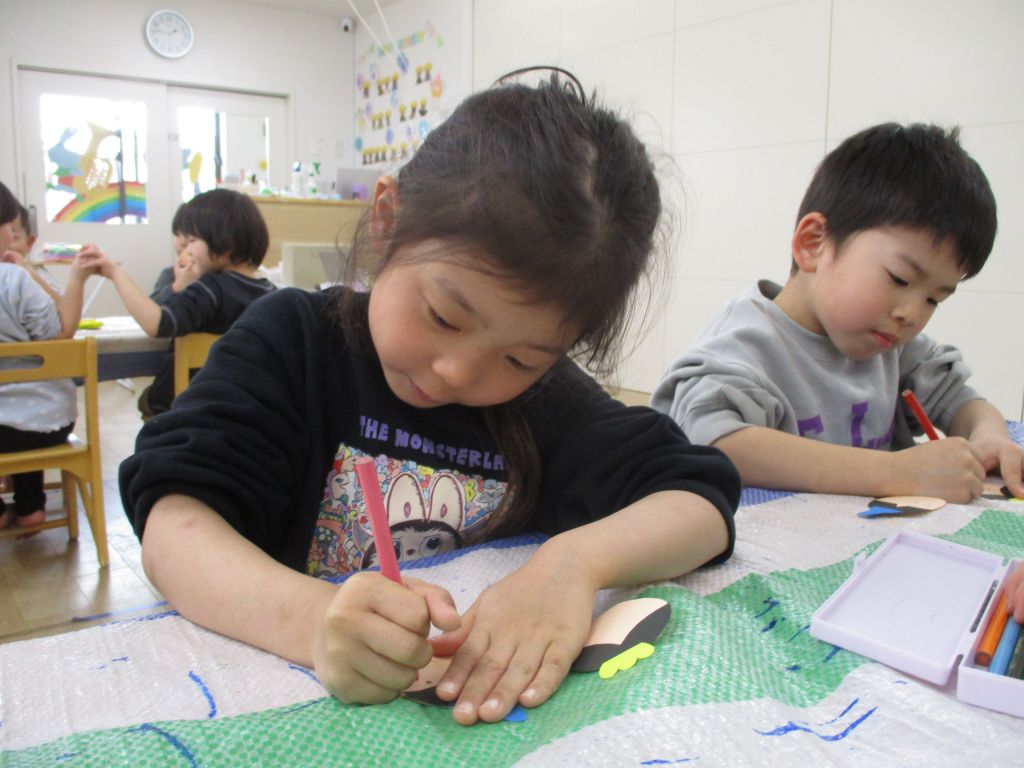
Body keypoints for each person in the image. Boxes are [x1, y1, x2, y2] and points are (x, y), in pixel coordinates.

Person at [119, 71, 741, 726]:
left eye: (520, 358)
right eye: (444, 316)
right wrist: (312, 621)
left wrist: (572, 565)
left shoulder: (544, 401)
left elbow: (698, 500)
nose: (455, 373)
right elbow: (174, 528)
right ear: (387, 221)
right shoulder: (292, 343)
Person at [651, 122, 1024, 503]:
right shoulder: (744, 347)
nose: (912, 314)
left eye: (934, 299)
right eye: (899, 279)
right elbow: (716, 442)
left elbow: (961, 399)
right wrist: (896, 472)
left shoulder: (894, 349)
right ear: (814, 243)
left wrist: (989, 437)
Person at [78, 188, 276, 418]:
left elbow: (156, 323)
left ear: (225, 244)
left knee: (149, 402)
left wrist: (115, 273)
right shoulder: (269, 292)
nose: (187, 249)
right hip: (246, 407)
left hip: (188, 406)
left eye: (192, 241)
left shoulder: (210, 288)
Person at [0, 181, 95, 532]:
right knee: (28, 407)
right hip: (47, 425)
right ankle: (31, 507)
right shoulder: (16, 280)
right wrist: (76, 280)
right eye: (8, 227)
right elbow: (60, 333)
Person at [149, 203, 197, 304]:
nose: (182, 242)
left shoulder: (216, 277)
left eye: (190, 236)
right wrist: (176, 287)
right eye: (178, 235)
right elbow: (151, 306)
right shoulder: (170, 274)